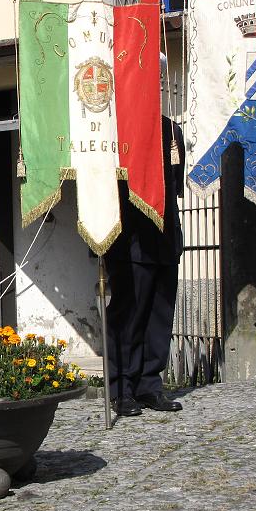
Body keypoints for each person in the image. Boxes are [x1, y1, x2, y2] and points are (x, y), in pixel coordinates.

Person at [103, 115, 185, 417]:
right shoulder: (116, 124)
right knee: (129, 317)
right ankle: (121, 388)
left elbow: (175, 182)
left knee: (159, 316)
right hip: (130, 239)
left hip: (164, 236)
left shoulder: (169, 128)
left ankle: (149, 385)